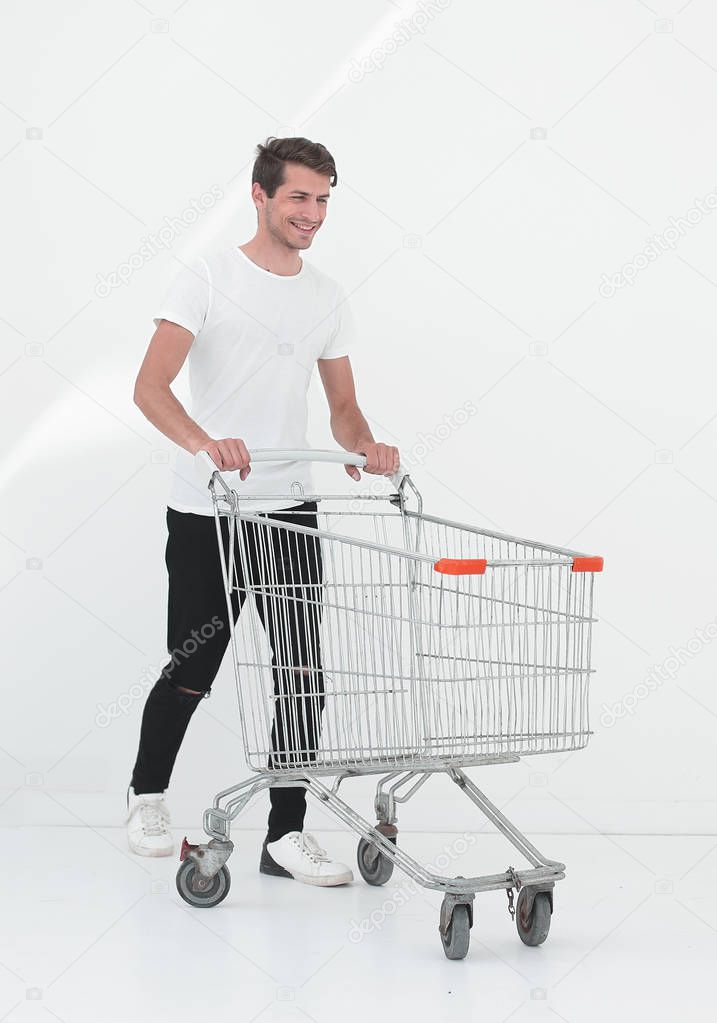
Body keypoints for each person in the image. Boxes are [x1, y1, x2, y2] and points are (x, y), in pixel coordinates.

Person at [125, 136, 400, 886]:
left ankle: (285, 835)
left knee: (302, 672)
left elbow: (342, 407)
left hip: (290, 511)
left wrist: (364, 444)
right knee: (194, 665)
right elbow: (150, 386)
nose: (311, 213)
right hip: (209, 511)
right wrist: (203, 442)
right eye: (298, 198)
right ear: (260, 194)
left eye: (321, 200)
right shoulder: (207, 277)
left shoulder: (325, 294)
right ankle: (148, 794)